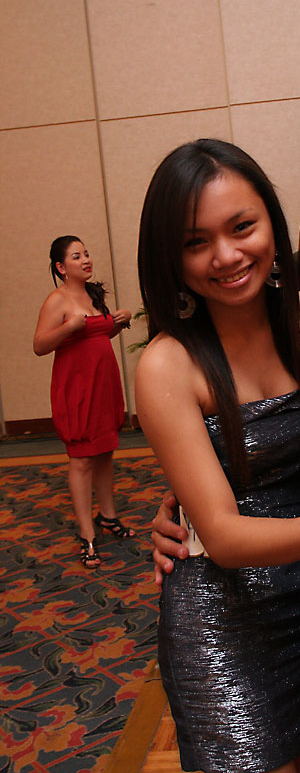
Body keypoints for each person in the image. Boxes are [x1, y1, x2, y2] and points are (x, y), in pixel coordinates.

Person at [135, 138, 300, 773]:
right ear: (171, 257)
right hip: (223, 622)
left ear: (272, 226)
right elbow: (224, 537)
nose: (226, 256)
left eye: (241, 227)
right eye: (195, 242)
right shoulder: (168, 364)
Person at [33, 236, 134, 569]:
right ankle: (87, 534)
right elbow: (39, 345)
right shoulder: (57, 300)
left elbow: (98, 336)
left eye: (86, 254)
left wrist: (118, 322)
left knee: (104, 452)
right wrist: (69, 327)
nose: (86, 260)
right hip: (77, 388)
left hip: (103, 385)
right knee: (81, 460)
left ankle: (108, 516)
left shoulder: (93, 295)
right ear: (61, 267)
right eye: (77, 256)